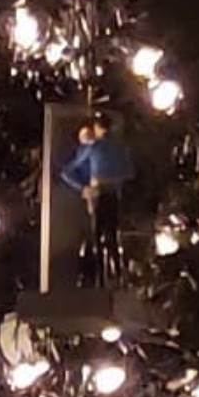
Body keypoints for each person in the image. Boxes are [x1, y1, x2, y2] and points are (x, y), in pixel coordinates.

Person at [59, 114, 136, 285]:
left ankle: (102, 276)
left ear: (97, 128)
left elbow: (66, 171)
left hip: (98, 193)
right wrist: (115, 178)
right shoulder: (120, 147)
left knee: (98, 235)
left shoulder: (94, 147)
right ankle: (117, 274)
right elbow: (130, 173)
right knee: (111, 235)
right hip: (112, 193)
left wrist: (83, 187)